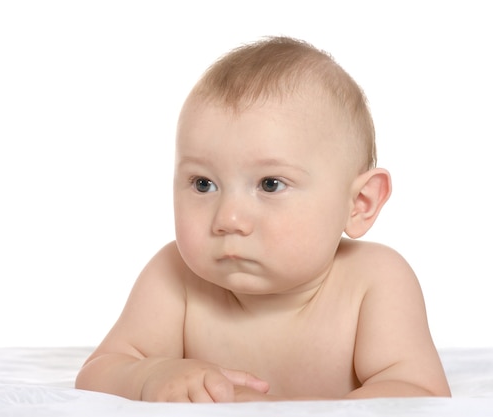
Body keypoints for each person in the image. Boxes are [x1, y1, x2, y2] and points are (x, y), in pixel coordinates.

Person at [75, 36, 451, 402]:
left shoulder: (374, 282)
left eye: (270, 184)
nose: (229, 219)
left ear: (359, 204)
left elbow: (419, 393)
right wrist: (147, 375)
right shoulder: (175, 278)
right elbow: (98, 372)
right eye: (203, 184)